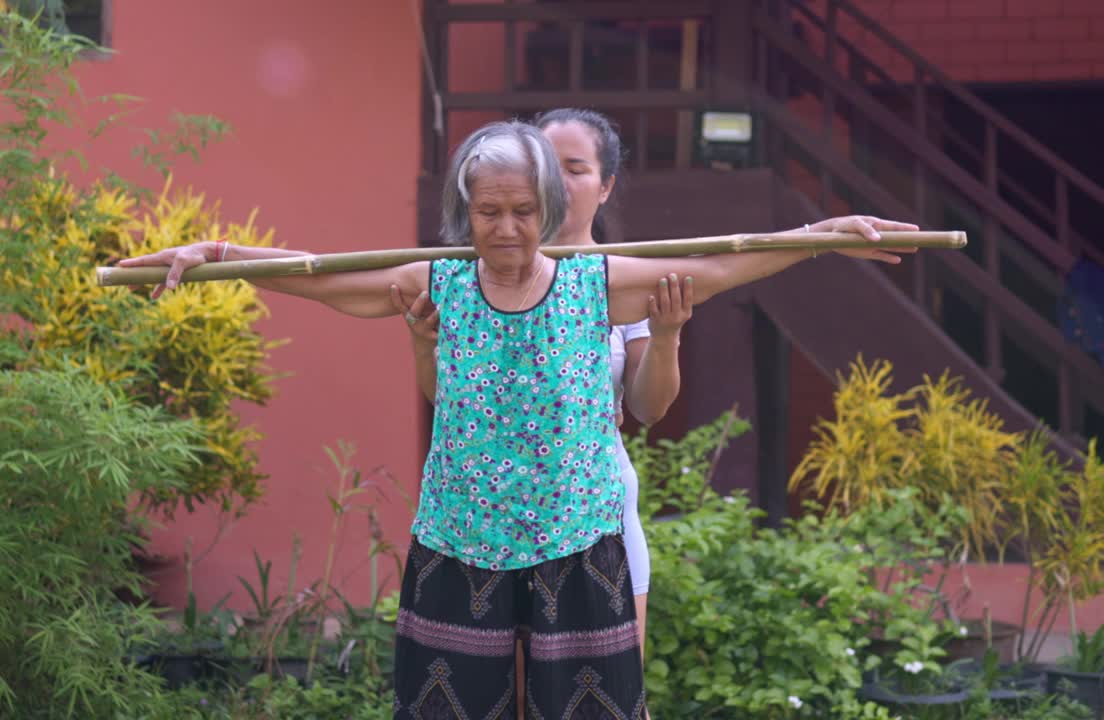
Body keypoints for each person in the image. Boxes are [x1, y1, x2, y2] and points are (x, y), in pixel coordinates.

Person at [118, 119, 917, 717]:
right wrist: (219, 256)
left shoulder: (595, 283)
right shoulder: (439, 285)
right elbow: (319, 278)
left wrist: (820, 239)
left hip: (577, 542)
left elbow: (716, 266)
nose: (505, 230)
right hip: (460, 543)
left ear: (550, 207)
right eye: (487, 212)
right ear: (463, 209)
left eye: (523, 212)